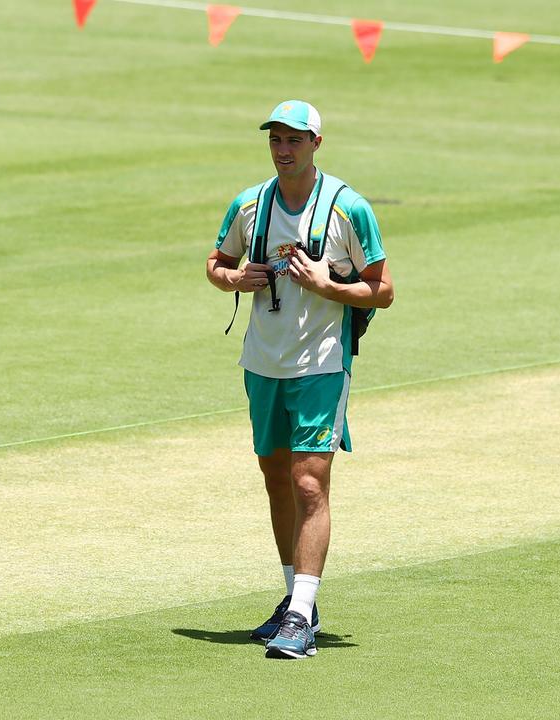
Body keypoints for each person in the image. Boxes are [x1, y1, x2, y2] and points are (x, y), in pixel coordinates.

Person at [206, 100, 394, 659]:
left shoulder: (348, 208)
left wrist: (328, 286)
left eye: (294, 139)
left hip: (321, 365)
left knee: (309, 482)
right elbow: (215, 264)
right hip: (262, 361)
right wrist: (237, 278)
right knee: (274, 476)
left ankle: (299, 612)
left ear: (316, 144)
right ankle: (297, 602)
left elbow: (382, 289)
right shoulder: (249, 203)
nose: (283, 149)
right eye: (276, 140)